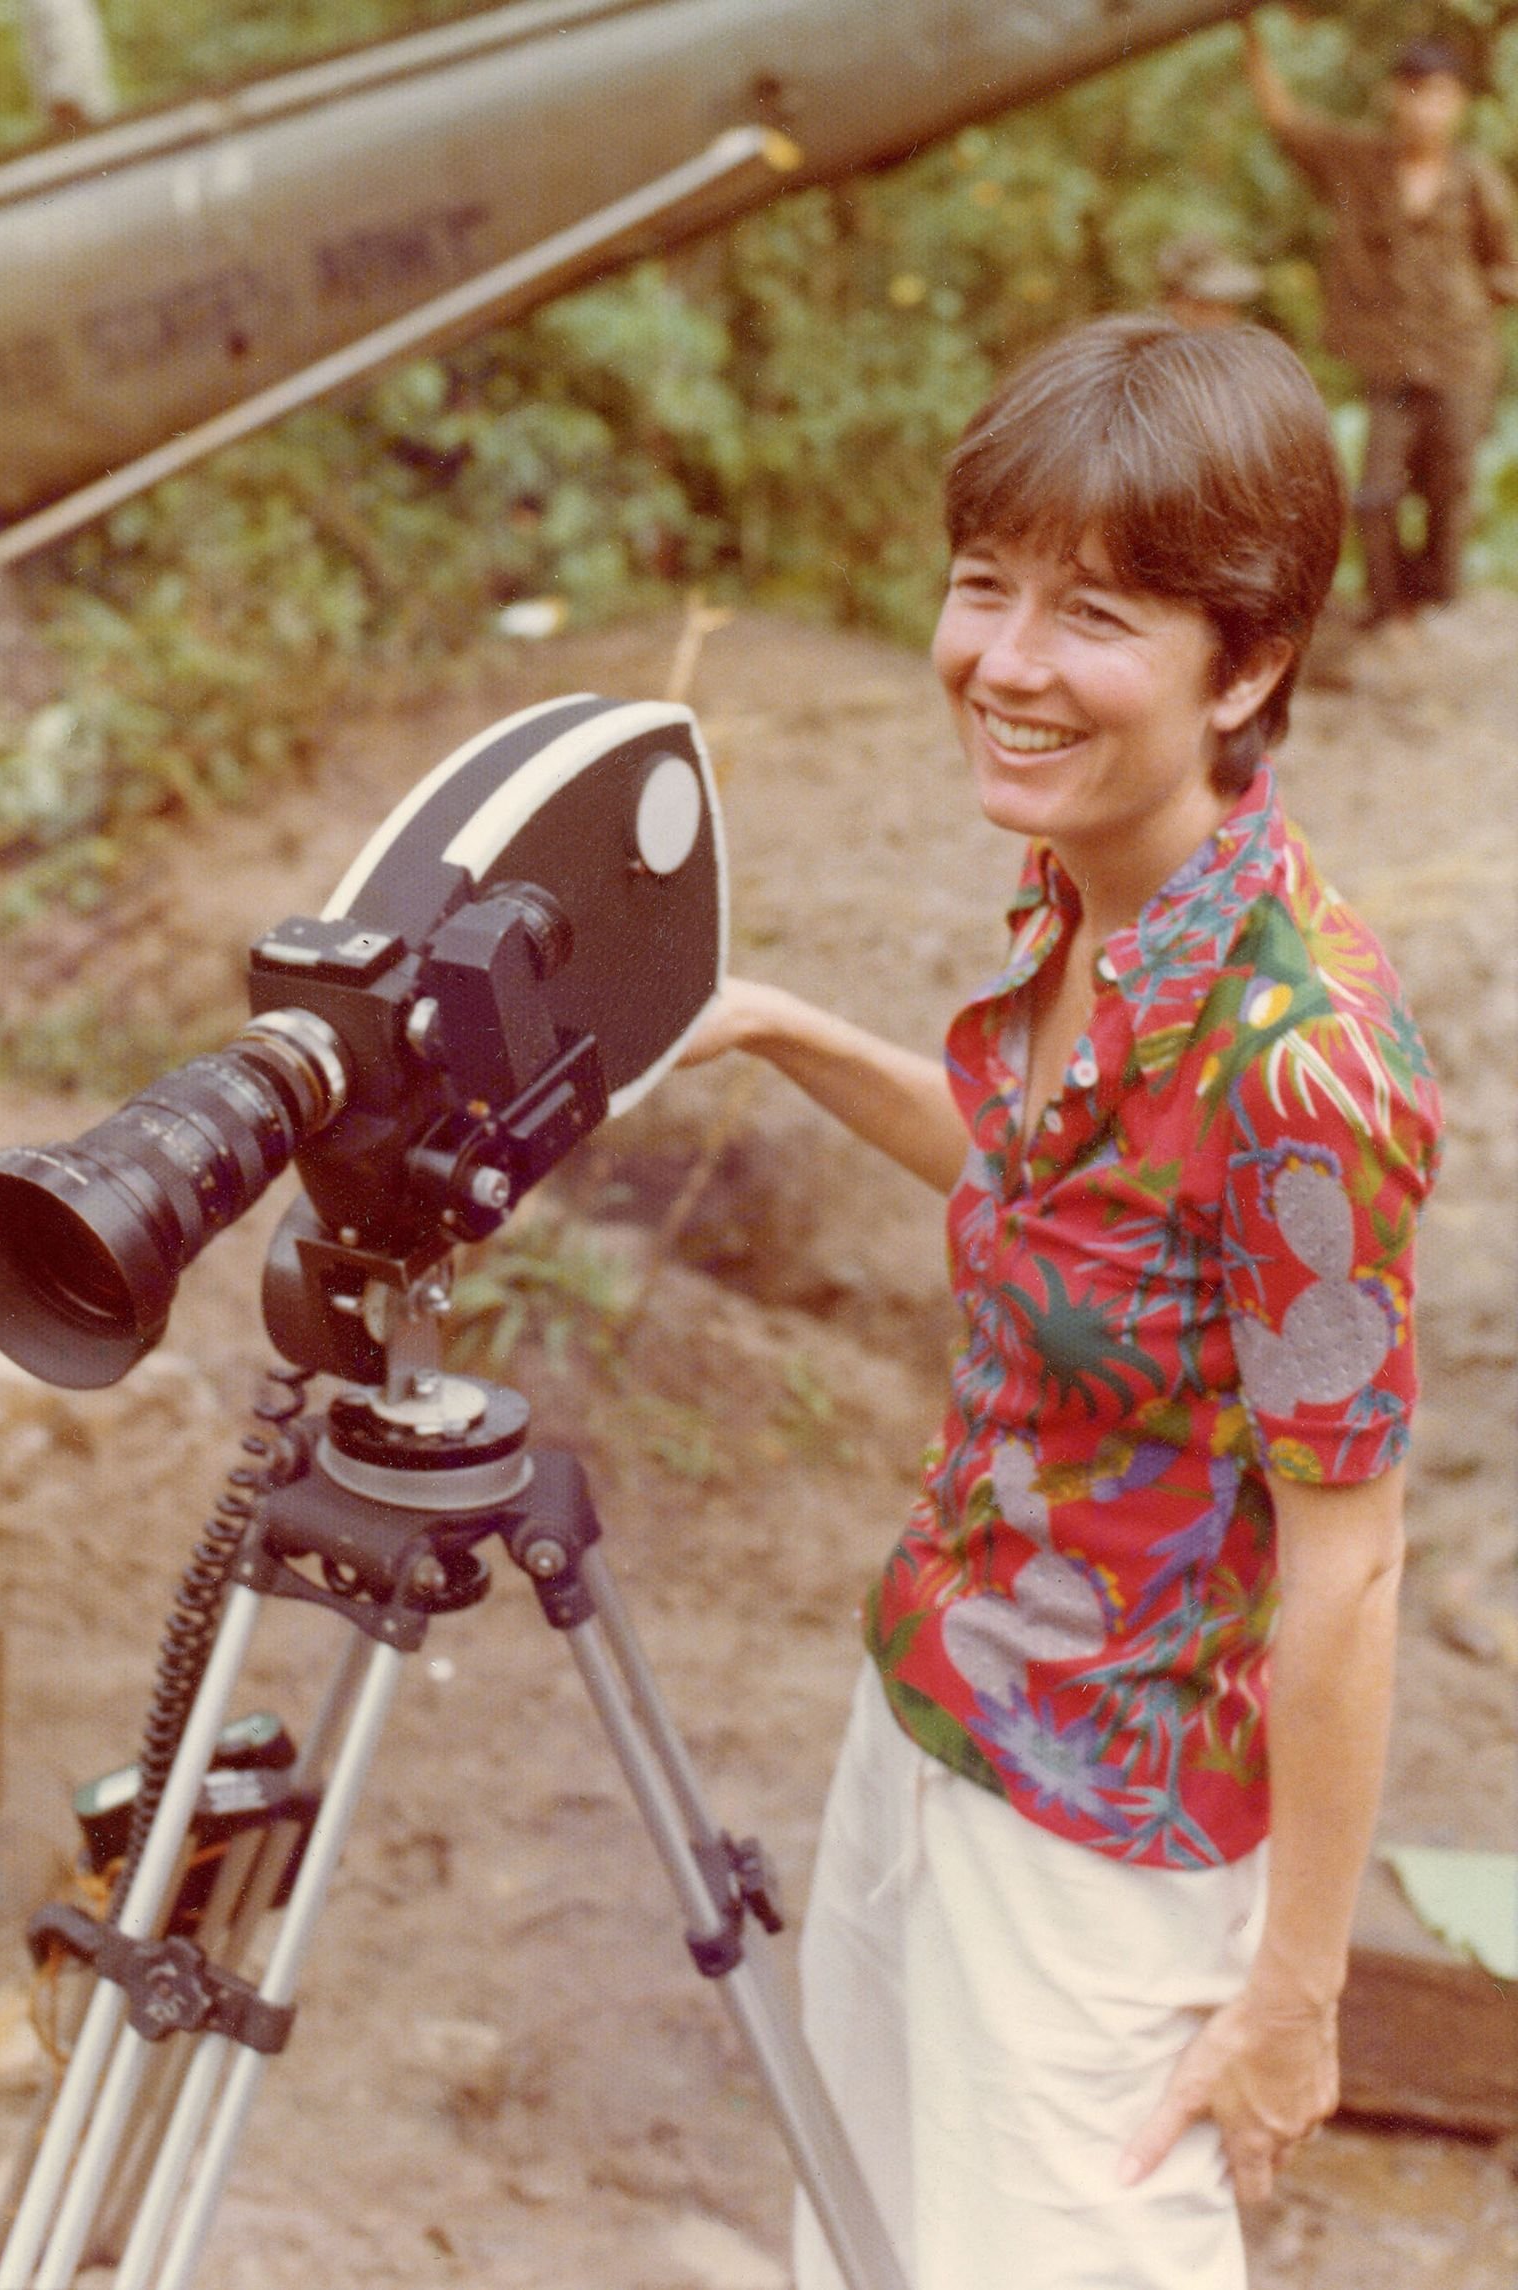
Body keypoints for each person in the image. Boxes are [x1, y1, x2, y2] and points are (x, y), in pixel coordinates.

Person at [679, 315, 1442, 2290]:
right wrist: (766, 1029)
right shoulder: (1079, 893)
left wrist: (1291, 1993)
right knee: (850, 2239)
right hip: (918, 1706)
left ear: (1244, 660)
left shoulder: (1300, 1061)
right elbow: (1052, 1213)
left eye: (1089, 611)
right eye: (978, 584)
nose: (1002, 660)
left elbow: (1347, 1562)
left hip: (1103, 1836)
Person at [1243, 15, 1518, 633]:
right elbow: (1287, 123)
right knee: (1376, 491)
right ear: (1395, 95)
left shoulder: (1476, 179)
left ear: (1461, 105)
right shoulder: (1359, 162)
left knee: (1451, 488)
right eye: (1414, 91)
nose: (1425, 109)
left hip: (1461, 358)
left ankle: (1439, 604)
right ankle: (1386, 611)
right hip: (1389, 361)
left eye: (1441, 94)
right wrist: (1250, 40)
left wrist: (1477, 299)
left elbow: (1508, 265)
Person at [1153, 232, 1264, 328]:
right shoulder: (1151, 343)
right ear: (1177, 303)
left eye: (1230, 307)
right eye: (1205, 307)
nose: (1226, 319)